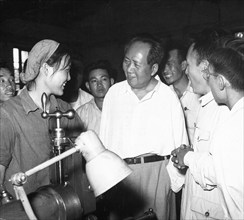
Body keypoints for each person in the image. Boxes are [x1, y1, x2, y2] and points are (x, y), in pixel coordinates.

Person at [99, 34, 188, 219]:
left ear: (154, 68)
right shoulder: (114, 94)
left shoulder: (167, 97)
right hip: (120, 177)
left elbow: (181, 143)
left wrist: (170, 183)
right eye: (126, 61)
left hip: (156, 175)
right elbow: (104, 140)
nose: (129, 69)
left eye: (137, 64)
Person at [171, 36, 244, 220]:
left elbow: (218, 169)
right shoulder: (208, 104)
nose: (185, 71)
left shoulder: (228, 112)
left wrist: (187, 157)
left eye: (188, 64)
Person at [0, 39, 83, 198]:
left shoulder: (65, 110)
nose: (69, 77)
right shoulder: (8, 114)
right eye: (66, 70)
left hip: (65, 205)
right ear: (46, 68)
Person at [161, 41, 200, 145]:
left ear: (183, 65)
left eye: (169, 64)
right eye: (163, 66)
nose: (164, 70)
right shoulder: (163, 95)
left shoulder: (199, 93)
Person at [76, 60, 114, 135]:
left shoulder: (123, 108)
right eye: (94, 81)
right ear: (88, 86)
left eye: (104, 79)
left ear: (111, 82)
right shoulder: (81, 113)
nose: (99, 85)